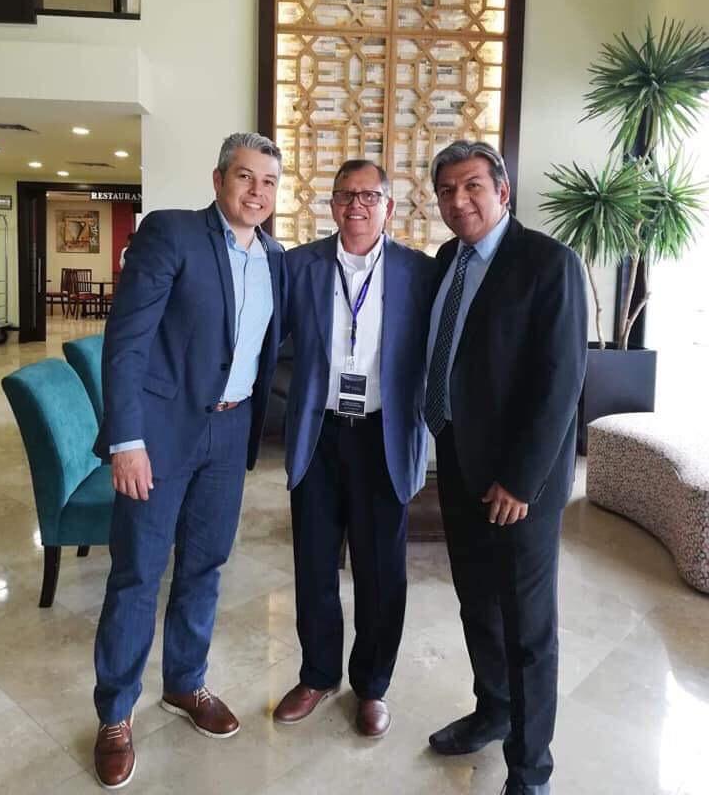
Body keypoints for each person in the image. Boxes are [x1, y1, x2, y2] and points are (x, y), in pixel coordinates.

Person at [92, 133, 285, 789]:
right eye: (245, 176)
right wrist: (126, 441)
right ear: (219, 179)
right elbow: (126, 341)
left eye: (268, 181)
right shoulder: (172, 233)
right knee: (137, 574)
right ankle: (115, 714)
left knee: (205, 565)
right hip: (161, 435)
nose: (256, 191)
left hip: (229, 435)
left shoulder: (274, 259)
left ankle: (185, 682)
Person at [425, 141, 587, 795]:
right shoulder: (448, 260)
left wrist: (522, 480)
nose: (458, 200)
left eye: (472, 186)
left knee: (527, 626)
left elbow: (561, 381)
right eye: (446, 191)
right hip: (458, 462)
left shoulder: (549, 263)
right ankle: (492, 709)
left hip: (520, 483)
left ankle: (531, 767)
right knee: (477, 605)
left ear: (503, 191)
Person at [273, 159, 435, 738]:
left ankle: (372, 685)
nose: (357, 205)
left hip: (382, 435)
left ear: (389, 206)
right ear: (332, 204)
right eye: (346, 195)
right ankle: (318, 675)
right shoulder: (299, 266)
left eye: (370, 196)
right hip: (318, 434)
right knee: (315, 563)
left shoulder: (420, 272)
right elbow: (266, 338)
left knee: (381, 571)